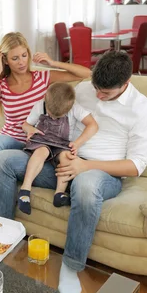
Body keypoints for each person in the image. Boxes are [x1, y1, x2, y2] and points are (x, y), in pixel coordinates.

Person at [0, 51, 147, 293]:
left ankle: (71, 268)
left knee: (84, 185)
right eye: (96, 88)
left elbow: (136, 166)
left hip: (100, 172)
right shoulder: (83, 90)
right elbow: (51, 98)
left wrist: (85, 166)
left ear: (125, 85)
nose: (98, 96)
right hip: (59, 160)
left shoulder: (142, 110)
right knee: (4, 160)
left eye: (105, 93)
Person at [0, 32, 91, 214]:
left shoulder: (42, 77)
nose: (22, 62)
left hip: (35, 143)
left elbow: (87, 73)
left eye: (24, 55)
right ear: (5, 60)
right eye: (15, 58)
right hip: (10, 140)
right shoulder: (2, 85)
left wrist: (53, 63)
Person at [18, 82, 98, 214]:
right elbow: (25, 125)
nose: (54, 118)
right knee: (41, 151)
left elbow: (93, 125)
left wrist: (77, 143)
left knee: (67, 157)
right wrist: (30, 130)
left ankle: (59, 193)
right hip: (42, 140)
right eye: (51, 114)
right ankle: (25, 190)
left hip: (61, 144)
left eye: (58, 117)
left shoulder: (75, 108)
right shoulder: (40, 105)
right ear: (45, 99)